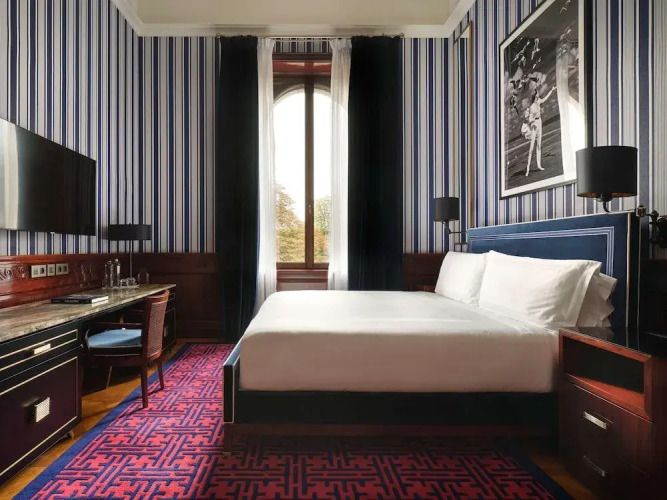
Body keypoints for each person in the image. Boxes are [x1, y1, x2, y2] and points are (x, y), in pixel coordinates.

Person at [524, 85, 556, 177]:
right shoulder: (531, 107)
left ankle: (539, 165)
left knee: (539, 145)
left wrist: (551, 90)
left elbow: (545, 98)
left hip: (539, 122)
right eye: (537, 93)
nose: (539, 94)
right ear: (535, 95)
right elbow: (529, 119)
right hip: (534, 124)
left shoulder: (538, 101)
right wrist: (533, 121)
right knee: (531, 148)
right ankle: (527, 169)